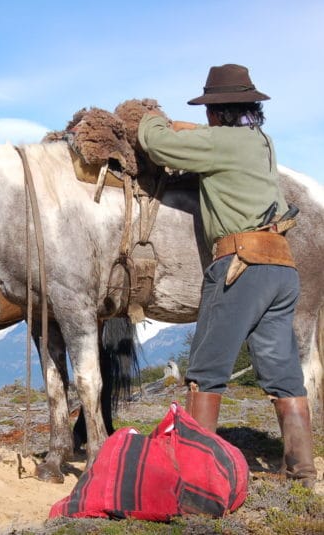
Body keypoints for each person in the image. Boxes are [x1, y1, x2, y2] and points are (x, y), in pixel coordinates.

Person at [137, 63, 317, 488]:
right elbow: (214, 144)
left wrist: (148, 115)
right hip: (281, 267)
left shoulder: (219, 143)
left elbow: (156, 145)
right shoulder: (261, 141)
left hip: (241, 266)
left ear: (216, 112)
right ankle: (303, 471)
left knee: (205, 369)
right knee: (283, 373)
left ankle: (196, 476)